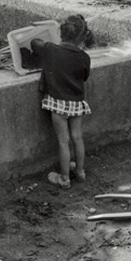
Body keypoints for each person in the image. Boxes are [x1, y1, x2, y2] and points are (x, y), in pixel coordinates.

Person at [31, 14, 95, 189]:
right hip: (76, 102)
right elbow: (85, 76)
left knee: (63, 140)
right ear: (82, 37)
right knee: (77, 137)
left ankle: (64, 178)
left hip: (58, 103)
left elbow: (35, 44)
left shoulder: (51, 49)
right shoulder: (84, 57)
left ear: (61, 34)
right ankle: (80, 172)